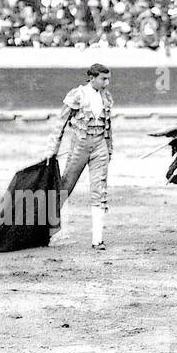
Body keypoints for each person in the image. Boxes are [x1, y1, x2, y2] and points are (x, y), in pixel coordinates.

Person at [45, 63, 113, 250]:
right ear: (92, 78)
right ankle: (44, 233)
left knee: (99, 191)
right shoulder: (77, 95)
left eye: (108, 79)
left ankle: (97, 240)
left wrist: (109, 149)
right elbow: (60, 124)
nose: (107, 83)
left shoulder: (106, 96)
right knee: (65, 187)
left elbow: (108, 126)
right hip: (79, 146)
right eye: (103, 79)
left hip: (100, 146)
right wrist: (52, 151)